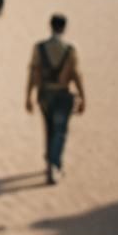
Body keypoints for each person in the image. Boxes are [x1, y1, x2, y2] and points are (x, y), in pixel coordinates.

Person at [26, 13, 85, 184]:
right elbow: (75, 74)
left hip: (44, 94)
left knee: (49, 129)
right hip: (62, 94)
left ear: (50, 26)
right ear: (64, 28)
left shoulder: (39, 48)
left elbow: (32, 72)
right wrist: (82, 96)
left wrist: (28, 96)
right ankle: (54, 164)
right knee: (60, 131)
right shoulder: (69, 49)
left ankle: (49, 163)